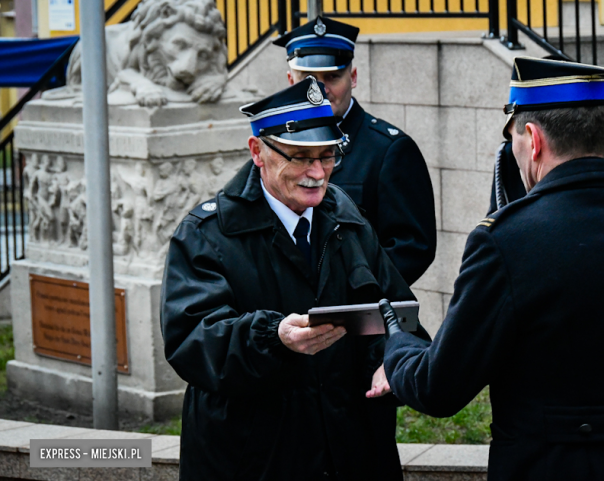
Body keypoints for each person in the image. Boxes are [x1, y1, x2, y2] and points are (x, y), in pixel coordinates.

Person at [374, 57, 604, 481]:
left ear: (533, 140)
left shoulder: (505, 240)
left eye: (513, 141)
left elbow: (438, 388)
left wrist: (397, 349)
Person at [160, 77, 419, 480]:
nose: (317, 172)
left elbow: (397, 312)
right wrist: (272, 337)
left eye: (328, 155)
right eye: (300, 157)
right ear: (257, 152)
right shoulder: (206, 233)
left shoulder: (347, 219)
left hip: (352, 452)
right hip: (255, 459)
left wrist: (393, 359)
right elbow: (191, 340)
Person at [273, 16, 436, 286]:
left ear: (354, 77)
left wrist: (350, 292)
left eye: (332, 77)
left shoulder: (388, 149)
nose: (320, 91)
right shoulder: (274, 148)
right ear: (291, 80)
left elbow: (412, 248)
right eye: (309, 79)